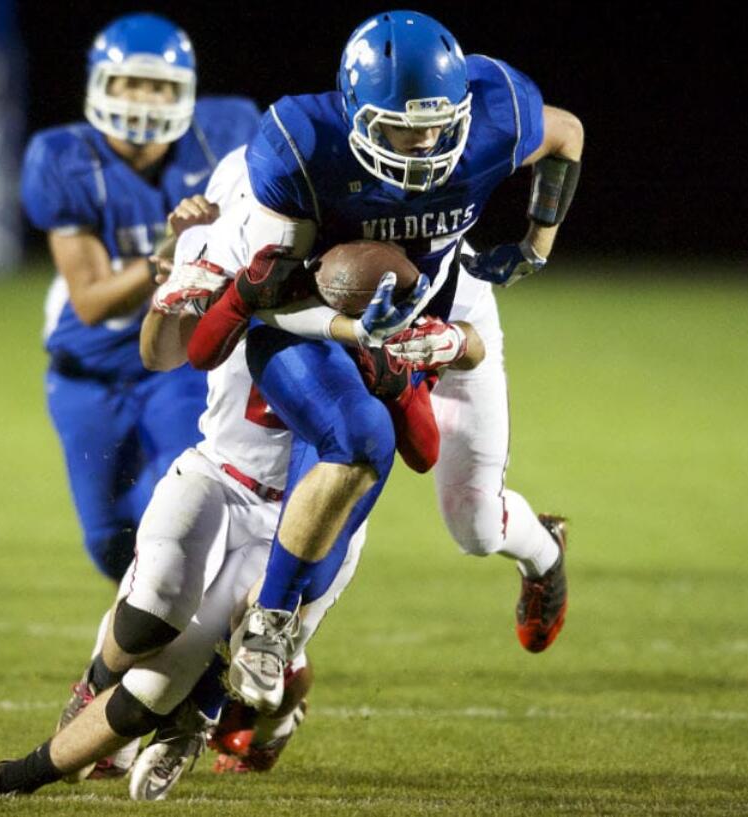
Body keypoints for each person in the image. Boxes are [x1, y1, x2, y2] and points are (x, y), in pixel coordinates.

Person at [0, 152, 481, 802]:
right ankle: (97, 685)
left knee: (165, 683)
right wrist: (189, 263)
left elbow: (423, 443)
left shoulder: (394, 296)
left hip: (305, 525)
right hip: (219, 471)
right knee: (148, 616)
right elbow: (165, 352)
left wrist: (407, 376)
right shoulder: (245, 255)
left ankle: (13, 778)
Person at [179, 9, 584, 711]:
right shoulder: (304, 143)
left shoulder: (498, 112)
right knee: (352, 446)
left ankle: (543, 552)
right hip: (319, 321)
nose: (424, 144)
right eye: (402, 127)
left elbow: (567, 133)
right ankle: (266, 637)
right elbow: (272, 291)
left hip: (448, 302)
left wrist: (535, 246)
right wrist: (354, 328)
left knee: (475, 524)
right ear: (357, 111)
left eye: (436, 124)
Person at [19, 12, 259, 583]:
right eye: (130, 82)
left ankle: (240, 636)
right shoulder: (62, 158)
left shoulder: (226, 134)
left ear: (187, 92)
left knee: (186, 509)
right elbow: (94, 303)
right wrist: (172, 248)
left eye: (158, 85)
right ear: (100, 84)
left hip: (175, 363)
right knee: (108, 540)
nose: (144, 99)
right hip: (90, 368)